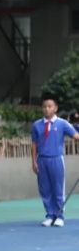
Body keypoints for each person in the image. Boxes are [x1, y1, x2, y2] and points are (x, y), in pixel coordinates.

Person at [32, 95, 79, 227]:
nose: (47, 109)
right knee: (45, 189)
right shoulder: (37, 125)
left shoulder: (62, 123)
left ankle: (59, 215)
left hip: (56, 159)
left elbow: (76, 135)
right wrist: (33, 161)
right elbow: (34, 144)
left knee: (58, 188)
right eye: (44, 107)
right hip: (42, 160)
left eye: (50, 106)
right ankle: (50, 215)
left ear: (55, 108)